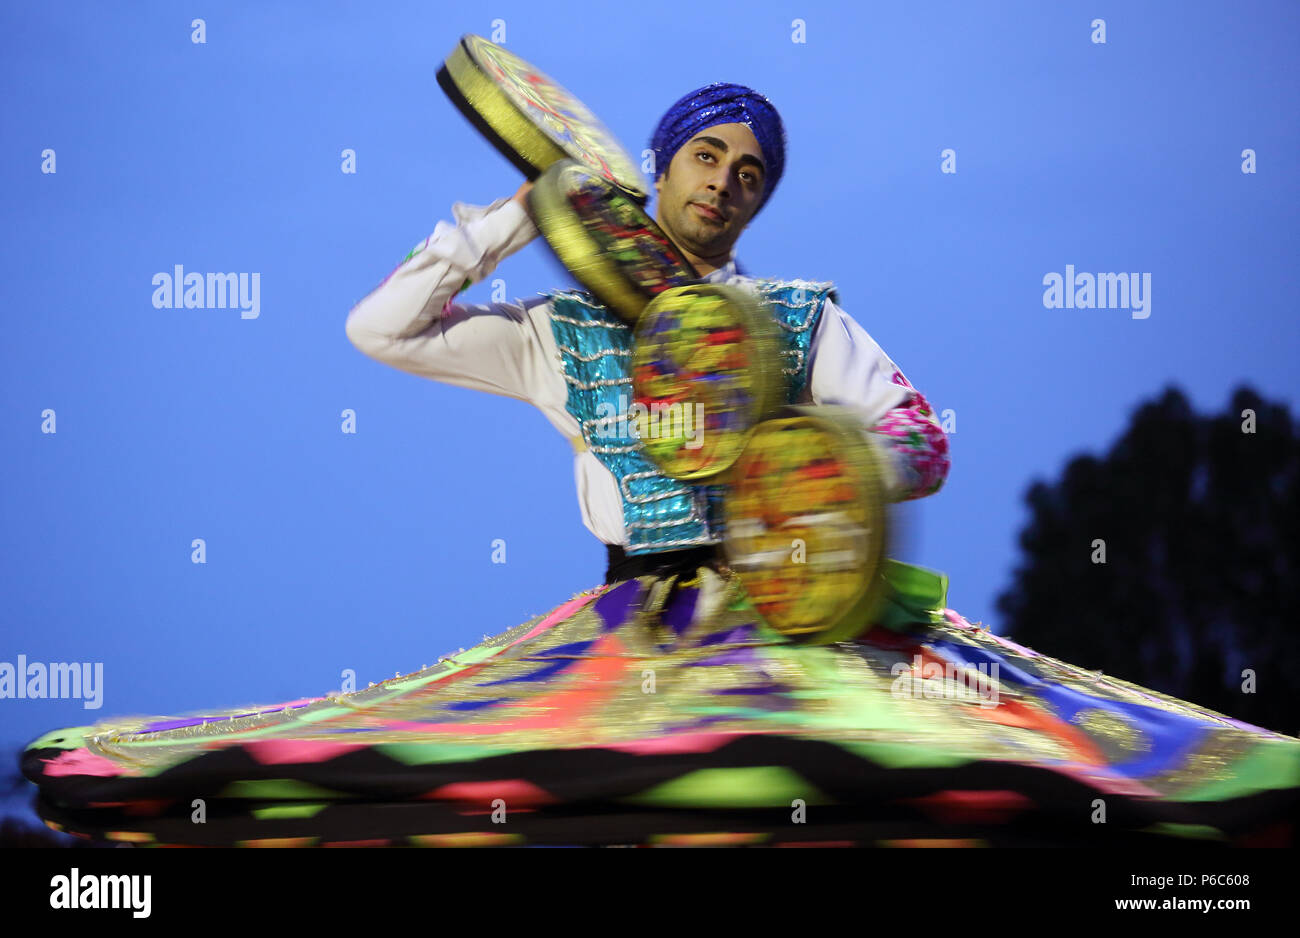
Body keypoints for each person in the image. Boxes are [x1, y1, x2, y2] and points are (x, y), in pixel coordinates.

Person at [20, 84, 1297, 847]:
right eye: (707, 157)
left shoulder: (795, 319)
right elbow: (379, 330)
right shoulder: (562, 334)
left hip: (803, 632)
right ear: (659, 160)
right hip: (624, 638)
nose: (728, 186)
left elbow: (922, 441)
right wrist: (531, 201)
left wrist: (807, 462)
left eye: (752, 176)